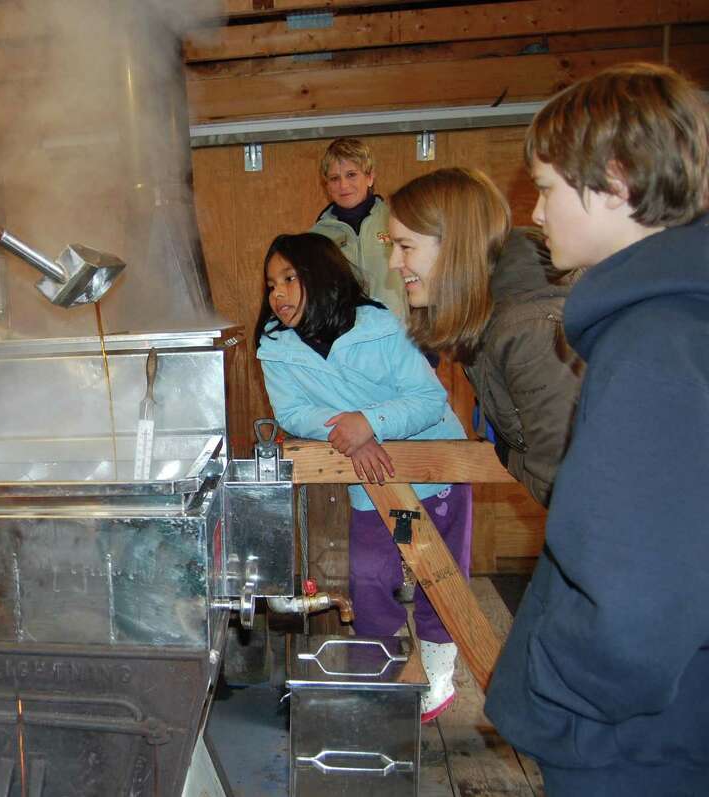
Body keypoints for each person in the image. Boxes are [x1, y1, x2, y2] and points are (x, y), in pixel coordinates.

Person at [483, 63, 709, 795]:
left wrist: (553, 680)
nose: (537, 214)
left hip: (632, 750)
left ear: (615, 180)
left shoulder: (655, 344)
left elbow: (636, 609)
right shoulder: (674, 323)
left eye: (546, 188)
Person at [255, 232, 471, 721]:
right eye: (271, 284)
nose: (278, 294)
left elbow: (428, 399)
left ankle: (438, 668)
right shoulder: (276, 348)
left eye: (290, 279)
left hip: (433, 470)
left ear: (324, 278)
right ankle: (382, 661)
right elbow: (293, 411)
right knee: (371, 572)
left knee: (441, 575)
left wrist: (369, 423)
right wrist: (354, 432)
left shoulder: (378, 327)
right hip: (369, 478)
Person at [386, 167, 584, 507]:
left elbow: (574, 491)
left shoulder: (529, 332)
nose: (393, 263)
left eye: (405, 247)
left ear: (454, 247)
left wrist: (509, 454)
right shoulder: (487, 323)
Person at [309, 137, 408, 318]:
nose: (343, 185)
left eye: (351, 174)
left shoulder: (398, 220)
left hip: (396, 335)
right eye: (334, 178)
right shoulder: (316, 238)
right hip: (347, 339)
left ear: (370, 177)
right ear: (327, 186)